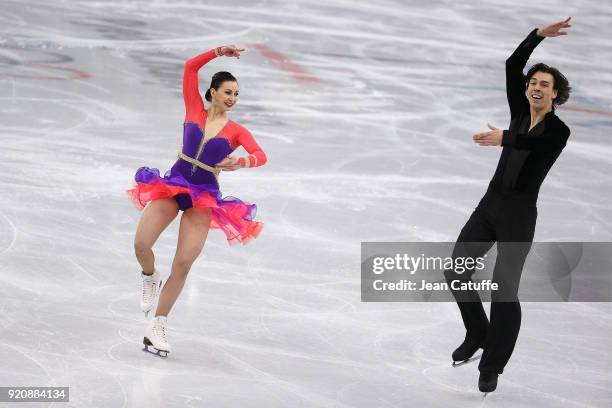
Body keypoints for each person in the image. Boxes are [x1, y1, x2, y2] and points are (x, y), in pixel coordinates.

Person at [444, 18, 572, 392]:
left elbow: (531, 145)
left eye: (543, 85)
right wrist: (536, 37)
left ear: (555, 95)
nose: (535, 87)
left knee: (504, 289)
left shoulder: (558, 131)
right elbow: (511, 65)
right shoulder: (519, 110)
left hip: (519, 214)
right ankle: (478, 332)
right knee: (456, 272)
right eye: (533, 82)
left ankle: (492, 365)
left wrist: (505, 138)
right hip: (490, 205)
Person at [126, 45, 267, 357]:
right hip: (173, 185)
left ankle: (157, 325)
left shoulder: (237, 131)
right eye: (228, 92)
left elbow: (261, 156)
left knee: (184, 263)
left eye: (237, 94)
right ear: (213, 92)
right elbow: (190, 67)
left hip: (203, 197)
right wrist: (219, 52)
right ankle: (150, 275)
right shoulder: (193, 109)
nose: (233, 99)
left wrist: (241, 163)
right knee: (141, 244)